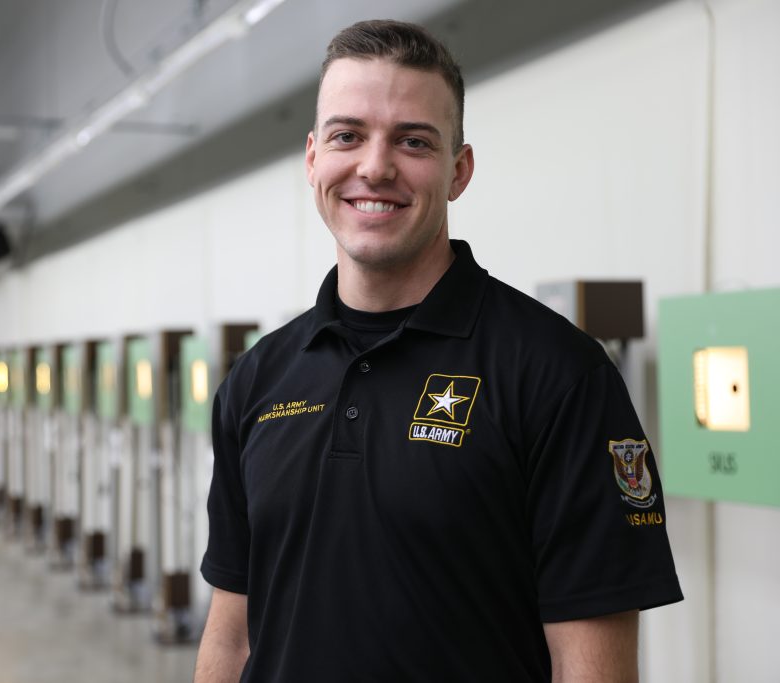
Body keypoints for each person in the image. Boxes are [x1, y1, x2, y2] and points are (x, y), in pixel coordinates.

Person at [195, 19, 682, 682]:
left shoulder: (558, 375)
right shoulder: (257, 379)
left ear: (459, 169)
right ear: (313, 158)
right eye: (347, 135)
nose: (374, 165)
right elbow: (231, 639)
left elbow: (589, 666)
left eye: (413, 140)